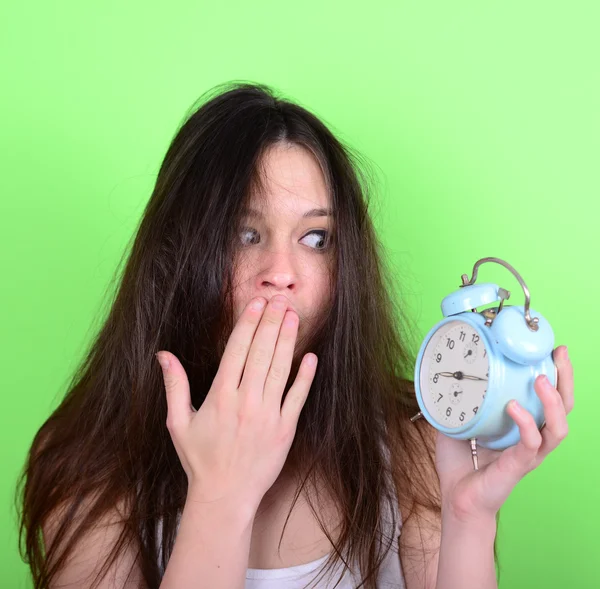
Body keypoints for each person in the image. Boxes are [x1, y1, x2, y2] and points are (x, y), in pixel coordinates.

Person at [16, 81, 574, 589]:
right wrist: (220, 499)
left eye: (315, 238)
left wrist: (468, 523)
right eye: (245, 232)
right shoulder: (89, 467)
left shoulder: (414, 446)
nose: (280, 271)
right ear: (177, 254)